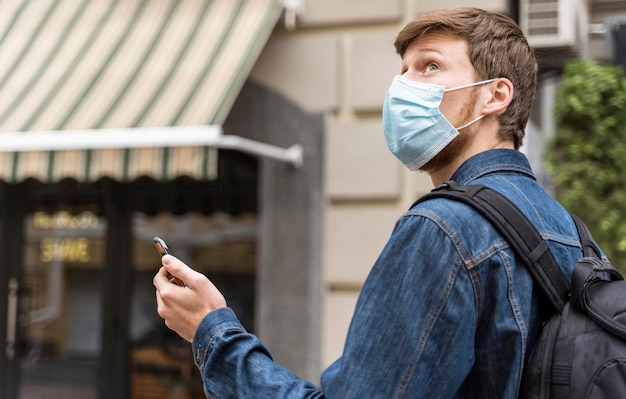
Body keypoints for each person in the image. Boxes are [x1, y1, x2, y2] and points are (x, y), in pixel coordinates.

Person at [154, 7, 588, 398]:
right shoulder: (573, 234)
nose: (402, 87)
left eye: (429, 66)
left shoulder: (444, 228)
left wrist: (212, 331)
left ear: (495, 95)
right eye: (403, 71)